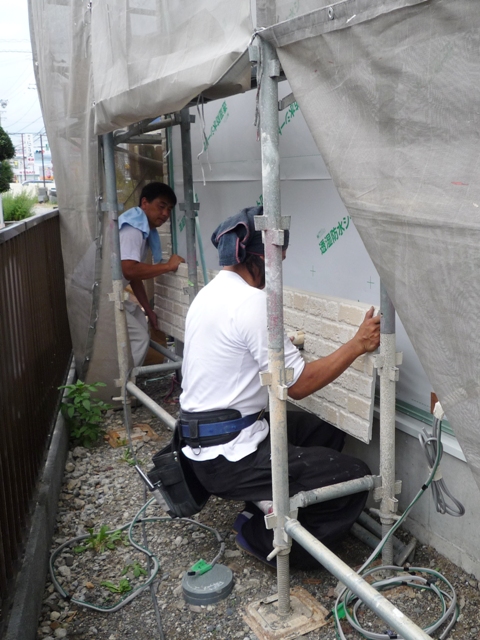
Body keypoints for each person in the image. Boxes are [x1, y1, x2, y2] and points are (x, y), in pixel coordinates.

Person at [179, 206, 380, 569]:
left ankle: (269, 498)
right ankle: (260, 534)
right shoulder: (252, 303)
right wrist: (357, 344)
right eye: (275, 262)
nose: (277, 272)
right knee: (355, 477)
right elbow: (299, 386)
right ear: (256, 258)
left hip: (203, 445)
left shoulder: (210, 294)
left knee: (324, 430)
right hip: (228, 458)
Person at [119, 182, 184, 367]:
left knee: (140, 324)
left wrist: (149, 311)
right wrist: (168, 267)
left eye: (169, 209)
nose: (165, 214)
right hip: (98, 295)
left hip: (108, 292)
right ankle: (125, 388)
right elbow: (129, 269)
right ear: (145, 202)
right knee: (138, 338)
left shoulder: (140, 227)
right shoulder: (132, 228)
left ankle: (127, 381)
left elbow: (133, 275)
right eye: (161, 206)